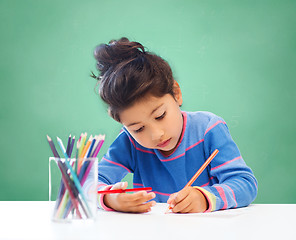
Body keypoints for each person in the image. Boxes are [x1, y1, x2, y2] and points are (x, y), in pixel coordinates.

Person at [91, 37, 258, 213]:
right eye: (138, 129)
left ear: (176, 93)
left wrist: (205, 198)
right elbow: (87, 183)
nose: (156, 134)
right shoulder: (129, 142)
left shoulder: (208, 129)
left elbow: (245, 184)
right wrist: (110, 198)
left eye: (160, 116)